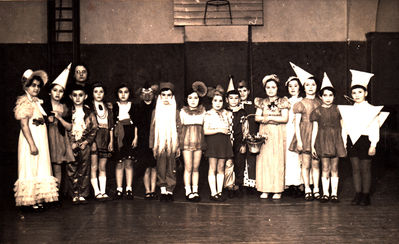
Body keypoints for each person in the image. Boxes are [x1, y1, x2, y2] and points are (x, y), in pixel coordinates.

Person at [338, 70, 389, 206]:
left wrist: (373, 144)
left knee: (365, 168)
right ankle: (358, 193)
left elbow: (374, 128)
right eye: (354, 93)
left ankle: (366, 195)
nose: (357, 95)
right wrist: (343, 143)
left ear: (366, 93)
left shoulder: (372, 109)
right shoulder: (348, 110)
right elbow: (345, 128)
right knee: (355, 168)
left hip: (365, 141)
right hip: (352, 141)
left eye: (360, 92)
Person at [14, 69, 59, 210]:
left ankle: (38, 198)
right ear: (26, 86)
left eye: (38, 86)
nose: (36, 88)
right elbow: (24, 125)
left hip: (40, 138)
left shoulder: (37, 102)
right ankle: (30, 200)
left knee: (40, 166)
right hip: (31, 139)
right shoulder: (24, 102)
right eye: (33, 85)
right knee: (30, 165)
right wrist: (32, 144)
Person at [310, 73, 346, 203]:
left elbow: (343, 128)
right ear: (320, 96)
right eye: (325, 95)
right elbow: (315, 129)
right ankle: (325, 193)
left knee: (335, 168)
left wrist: (344, 143)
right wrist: (312, 145)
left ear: (334, 96)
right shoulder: (317, 111)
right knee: (325, 167)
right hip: (323, 141)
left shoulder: (338, 110)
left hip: (336, 141)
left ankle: (334, 194)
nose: (328, 98)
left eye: (330, 95)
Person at [288, 62, 322, 201]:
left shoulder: (321, 102)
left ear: (317, 86)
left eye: (313, 84)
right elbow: (297, 123)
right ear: (304, 87)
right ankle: (307, 188)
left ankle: (317, 188)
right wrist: (300, 141)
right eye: (307, 85)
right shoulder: (300, 104)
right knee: (306, 163)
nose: (310, 87)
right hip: (305, 133)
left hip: (319, 134)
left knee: (316, 164)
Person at [255, 74, 289, 200]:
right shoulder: (262, 102)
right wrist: (274, 119)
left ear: (277, 88)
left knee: (276, 160)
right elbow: (257, 117)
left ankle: (277, 189)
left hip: (277, 134)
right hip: (265, 133)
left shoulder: (282, 102)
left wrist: (268, 118)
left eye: (273, 87)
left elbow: (284, 118)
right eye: (268, 87)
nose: (270, 90)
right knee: (265, 160)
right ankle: (265, 189)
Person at [45, 64, 75, 195]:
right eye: (55, 90)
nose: (58, 93)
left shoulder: (65, 107)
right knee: (45, 168)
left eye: (61, 91)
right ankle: (46, 194)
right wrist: (47, 120)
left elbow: (69, 127)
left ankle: (55, 195)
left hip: (60, 140)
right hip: (46, 138)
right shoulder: (44, 105)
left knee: (58, 168)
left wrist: (59, 118)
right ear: (50, 92)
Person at [149, 82, 181, 202]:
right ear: (159, 96)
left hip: (172, 143)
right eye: (164, 95)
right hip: (160, 143)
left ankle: (170, 190)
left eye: (169, 95)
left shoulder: (175, 112)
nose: (166, 98)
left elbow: (180, 130)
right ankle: (163, 190)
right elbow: (152, 130)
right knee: (161, 166)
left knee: (171, 167)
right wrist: (153, 145)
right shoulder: (155, 112)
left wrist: (178, 146)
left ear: (172, 97)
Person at [67, 83, 98, 204]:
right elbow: (66, 129)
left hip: (84, 144)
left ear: (85, 96)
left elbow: (94, 129)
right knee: (71, 169)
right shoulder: (68, 112)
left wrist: (86, 142)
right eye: (75, 95)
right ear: (71, 97)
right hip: (72, 144)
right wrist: (71, 143)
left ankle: (83, 194)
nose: (77, 98)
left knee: (84, 169)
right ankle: (74, 193)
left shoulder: (89, 113)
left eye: (80, 95)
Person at [204, 86, 233, 202]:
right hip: (213, 142)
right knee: (212, 167)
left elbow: (230, 129)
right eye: (215, 100)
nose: (218, 103)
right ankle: (213, 192)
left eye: (220, 101)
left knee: (221, 168)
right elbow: (205, 131)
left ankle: (219, 191)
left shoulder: (227, 113)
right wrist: (219, 130)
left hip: (224, 143)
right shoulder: (208, 114)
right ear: (211, 101)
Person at [180, 81, 207, 202]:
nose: (193, 100)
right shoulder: (183, 112)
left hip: (199, 142)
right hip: (186, 142)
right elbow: (179, 127)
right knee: (188, 167)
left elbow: (205, 126)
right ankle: (188, 190)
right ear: (186, 99)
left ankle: (195, 190)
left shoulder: (203, 111)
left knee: (196, 168)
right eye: (190, 98)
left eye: (195, 98)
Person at [113, 84, 138, 200]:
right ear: (117, 94)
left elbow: (137, 124)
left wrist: (136, 137)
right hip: (118, 134)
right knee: (119, 163)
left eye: (126, 92)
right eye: (120, 92)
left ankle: (129, 188)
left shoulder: (133, 106)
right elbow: (112, 125)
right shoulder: (114, 106)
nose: (123, 94)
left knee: (128, 162)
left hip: (130, 133)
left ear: (129, 93)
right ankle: (119, 189)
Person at [90, 83, 113, 201]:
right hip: (94, 138)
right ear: (92, 93)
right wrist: (92, 141)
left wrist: (111, 141)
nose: (99, 94)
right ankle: (96, 191)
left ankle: (103, 192)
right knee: (94, 166)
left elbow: (110, 126)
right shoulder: (89, 108)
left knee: (102, 166)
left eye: (101, 91)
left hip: (105, 138)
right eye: (96, 91)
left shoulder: (107, 107)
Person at [224, 79, 247, 198]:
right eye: (231, 98)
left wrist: (244, 143)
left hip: (239, 142)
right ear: (227, 100)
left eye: (236, 98)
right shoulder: (224, 112)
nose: (233, 100)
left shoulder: (242, 112)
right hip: (227, 142)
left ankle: (238, 185)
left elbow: (245, 129)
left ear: (239, 99)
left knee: (239, 164)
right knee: (228, 164)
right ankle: (229, 186)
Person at [136, 82, 158, 200]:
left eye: (149, 93)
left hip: (154, 139)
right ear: (141, 95)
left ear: (153, 94)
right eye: (144, 93)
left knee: (153, 166)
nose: (147, 95)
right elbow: (136, 126)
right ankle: (147, 190)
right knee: (145, 166)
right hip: (143, 140)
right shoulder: (138, 107)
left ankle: (153, 190)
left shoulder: (157, 107)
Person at [238, 80, 258, 194]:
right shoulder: (234, 105)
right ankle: (239, 184)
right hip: (238, 137)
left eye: (244, 91)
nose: (242, 93)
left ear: (249, 91)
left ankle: (250, 184)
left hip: (250, 135)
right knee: (239, 160)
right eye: (239, 91)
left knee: (251, 159)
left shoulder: (252, 106)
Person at [284, 76, 304, 197]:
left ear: (299, 87)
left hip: (299, 131)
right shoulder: (285, 101)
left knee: (299, 158)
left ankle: (299, 184)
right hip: (287, 130)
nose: (293, 88)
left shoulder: (302, 101)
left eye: (295, 86)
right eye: (290, 86)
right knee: (289, 157)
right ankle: (289, 184)